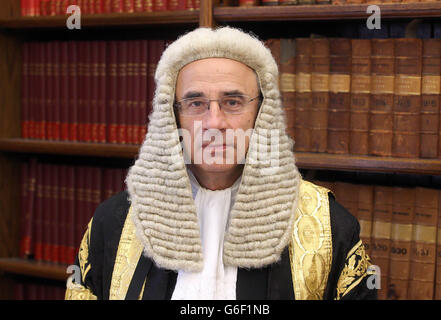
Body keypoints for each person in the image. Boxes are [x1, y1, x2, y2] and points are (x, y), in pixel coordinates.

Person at [65, 27, 377, 300]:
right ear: (172, 116)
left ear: (260, 113)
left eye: (232, 102)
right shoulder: (112, 223)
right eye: (196, 103)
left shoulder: (330, 227)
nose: (215, 122)